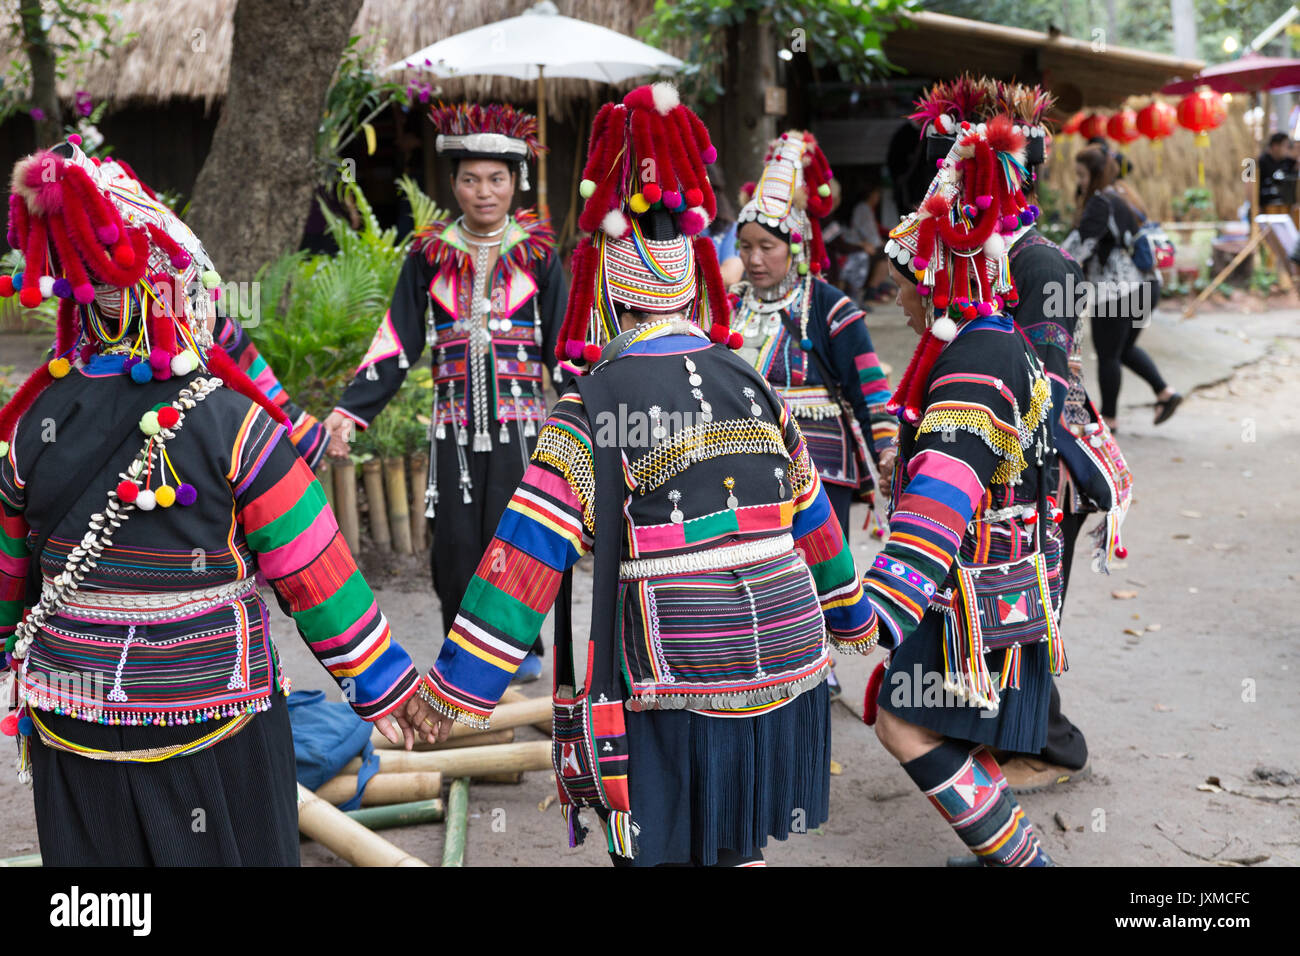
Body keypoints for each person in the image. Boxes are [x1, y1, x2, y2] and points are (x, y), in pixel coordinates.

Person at [417, 83, 879, 867]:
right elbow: (812, 514)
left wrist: (453, 690)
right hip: (789, 653)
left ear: (606, 293)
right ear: (689, 282)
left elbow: (527, 553)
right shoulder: (750, 377)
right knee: (733, 840)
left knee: (660, 845)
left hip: (679, 663)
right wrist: (850, 614)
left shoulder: (593, 400)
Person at [0, 139, 438, 866]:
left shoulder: (31, 425)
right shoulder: (235, 422)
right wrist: (383, 686)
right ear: (170, 291)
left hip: (68, 717)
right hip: (210, 718)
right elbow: (314, 570)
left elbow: (8, 581)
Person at [871, 112, 1064, 866]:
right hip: (985, 584)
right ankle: (1011, 854)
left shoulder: (974, 366)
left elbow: (946, 492)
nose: (901, 301)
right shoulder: (983, 340)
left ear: (941, 278)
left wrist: (880, 606)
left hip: (964, 595)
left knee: (904, 727)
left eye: (906, 285)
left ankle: (1022, 860)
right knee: (933, 728)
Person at [323, 102, 567, 682]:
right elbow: (397, 341)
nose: (484, 192)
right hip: (450, 435)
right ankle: (464, 664)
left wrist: (596, 419)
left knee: (516, 542)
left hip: (523, 431)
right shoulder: (428, 258)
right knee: (455, 551)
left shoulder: (539, 257)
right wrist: (349, 411)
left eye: (497, 179)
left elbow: (565, 348)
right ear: (453, 184)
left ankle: (520, 658)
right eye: (470, 179)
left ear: (516, 183)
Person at [728, 131, 898, 542]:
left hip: (819, 473)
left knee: (822, 588)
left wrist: (888, 453)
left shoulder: (829, 308)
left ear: (794, 248)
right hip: (740, 471)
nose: (753, 259)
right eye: (745, 246)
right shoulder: (728, 306)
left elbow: (869, 391)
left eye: (766, 246)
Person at [1064, 146, 1179, 430]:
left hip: (1119, 290)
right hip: (1147, 285)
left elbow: (1081, 244)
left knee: (1108, 354)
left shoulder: (1100, 202)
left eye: (1081, 175)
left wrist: (1048, 256)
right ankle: (1165, 393)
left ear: (1095, 173)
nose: (1079, 181)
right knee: (1123, 349)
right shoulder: (1124, 193)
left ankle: (1109, 420)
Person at [1257, 132, 1298, 227]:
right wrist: (1256, 206)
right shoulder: (1258, 162)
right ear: (1275, 146)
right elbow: (1250, 185)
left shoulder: (1287, 162)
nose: (1287, 149)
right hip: (1265, 209)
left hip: (1285, 209)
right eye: (1285, 146)